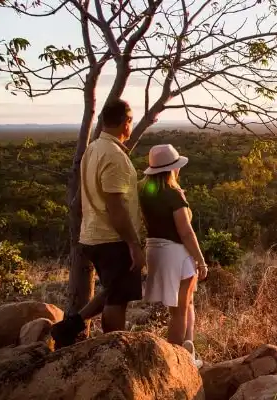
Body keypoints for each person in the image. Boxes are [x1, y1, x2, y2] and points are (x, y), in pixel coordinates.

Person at [52, 99, 145, 348]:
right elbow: (116, 206)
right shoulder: (114, 156)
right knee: (117, 297)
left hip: (92, 234)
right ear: (126, 123)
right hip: (112, 237)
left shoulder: (93, 149)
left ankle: (69, 327)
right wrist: (134, 244)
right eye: (130, 121)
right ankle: (111, 351)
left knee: (113, 288)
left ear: (104, 120)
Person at [139, 144, 208, 368]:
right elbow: (186, 231)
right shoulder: (173, 193)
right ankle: (176, 365)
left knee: (185, 304)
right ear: (172, 169)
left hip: (154, 249)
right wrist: (200, 259)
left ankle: (188, 352)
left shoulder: (144, 192)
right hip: (176, 252)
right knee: (180, 311)